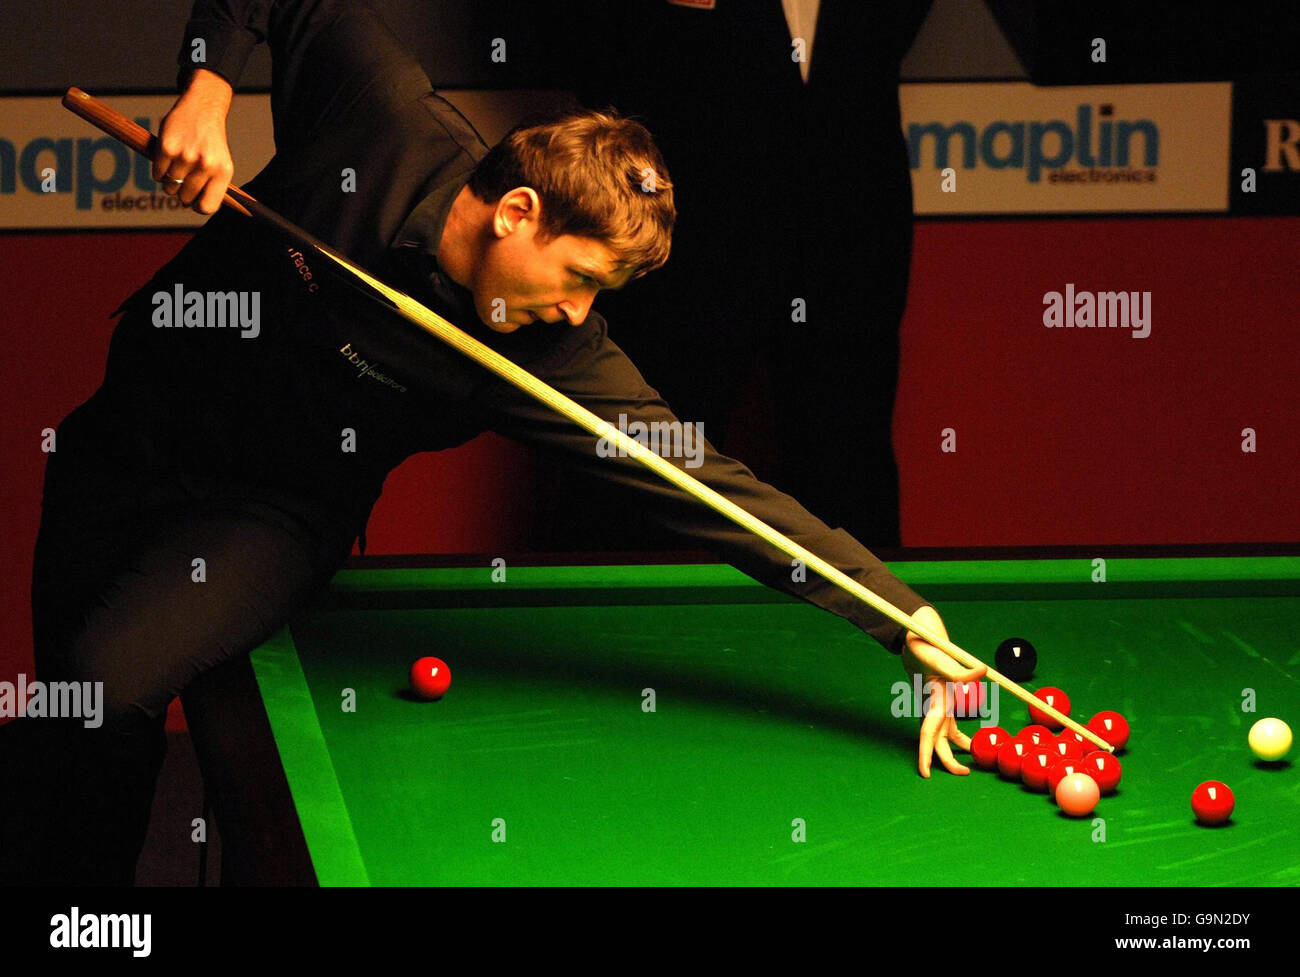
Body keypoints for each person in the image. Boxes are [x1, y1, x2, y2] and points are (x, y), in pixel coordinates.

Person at [0, 0, 979, 886]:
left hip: (274, 510)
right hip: (121, 438)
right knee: (75, 734)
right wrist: (207, 87)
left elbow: (709, 484)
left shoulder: (551, 353)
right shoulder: (383, 118)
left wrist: (900, 616)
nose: (579, 310)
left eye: (601, 295)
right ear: (517, 211)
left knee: (105, 679)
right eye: (579, 275)